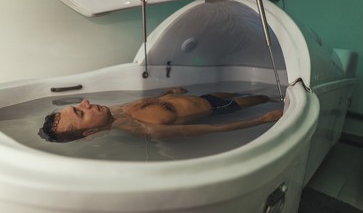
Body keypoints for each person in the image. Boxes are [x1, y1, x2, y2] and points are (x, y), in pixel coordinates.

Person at [38, 87, 283, 143]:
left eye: (78, 104)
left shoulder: (119, 109)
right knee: (255, 99)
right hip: (217, 107)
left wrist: (167, 93)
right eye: (81, 112)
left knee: (230, 90)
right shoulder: (144, 128)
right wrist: (262, 120)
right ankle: (273, 96)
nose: (86, 102)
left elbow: (152, 101)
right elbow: (210, 129)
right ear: (91, 131)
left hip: (200, 95)